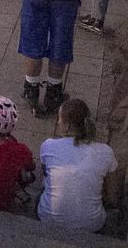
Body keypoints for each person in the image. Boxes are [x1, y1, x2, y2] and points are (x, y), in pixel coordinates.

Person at [38, 98, 120, 232]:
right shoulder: (106, 152)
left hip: (48, 218)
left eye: (59, 119)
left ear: (67, 126)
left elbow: (45, 172)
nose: (58, 122)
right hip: (92, 224)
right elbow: (113, 195)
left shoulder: (48, 146)